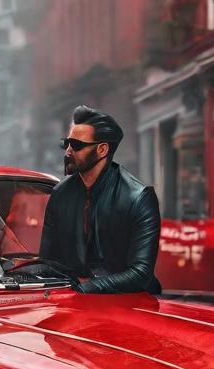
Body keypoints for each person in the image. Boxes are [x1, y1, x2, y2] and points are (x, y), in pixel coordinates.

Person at [39, 105, 161, 294]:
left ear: (102, 149)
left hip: (130, 304)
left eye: (77, 145)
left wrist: (84, 290)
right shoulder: (60, 194)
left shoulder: (137, 197)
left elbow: (140, 273)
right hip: (71, 303)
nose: (68, 152)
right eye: (67, 144)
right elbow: (47, 261)